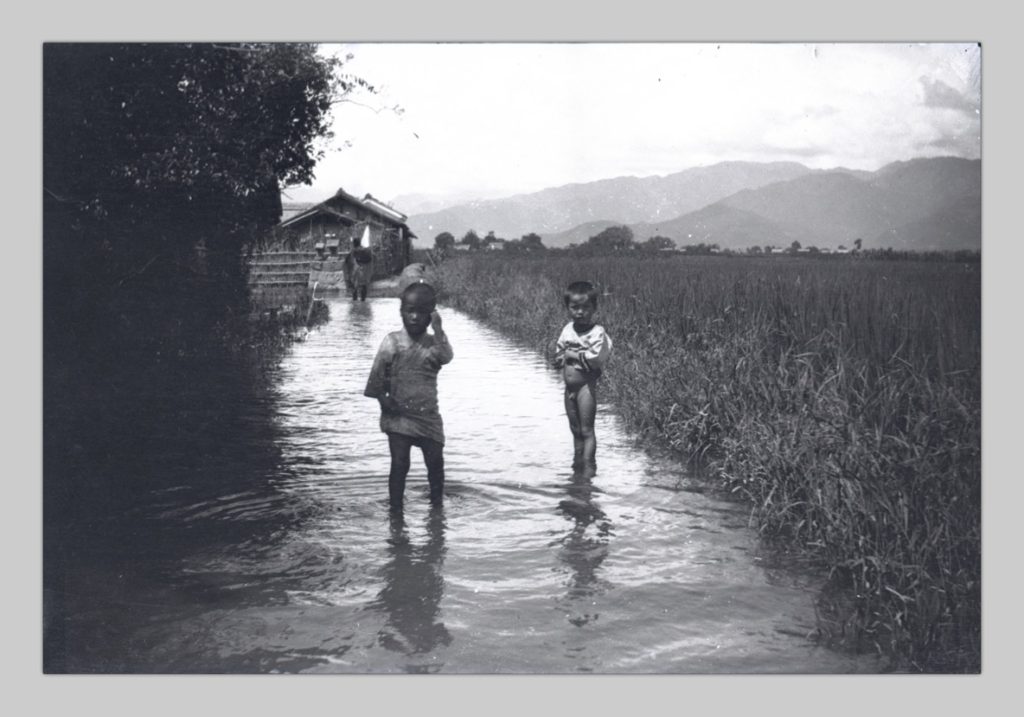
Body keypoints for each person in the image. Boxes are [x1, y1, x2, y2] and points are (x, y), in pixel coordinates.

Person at [365, 282, 453, 511]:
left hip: (428, 417)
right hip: (399, 416)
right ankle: (395, 512)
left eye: (421, 312)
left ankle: (437, 512)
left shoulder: (434, 344)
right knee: (399, 464)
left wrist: (439, 329)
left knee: (435, 464)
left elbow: (447, 357)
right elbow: (375, 380)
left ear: (430, 315)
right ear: (401, 312)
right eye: (409, 311)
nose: (414, 317)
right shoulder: (392, 342)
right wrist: (385, 401)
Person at [553, 281, 612, 477]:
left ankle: (588, 467)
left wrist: (571, 355)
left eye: (585, 307)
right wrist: (560, 358)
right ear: (568, 308)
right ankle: (577, 464)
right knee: (575, 429)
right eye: (575, 308)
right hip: (569, 388)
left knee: (587, 430)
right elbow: (560, 350)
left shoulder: (598, 333)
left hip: (585, 387)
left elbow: (595, 358)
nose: (580, 312)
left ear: (594, 308)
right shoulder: (568, 329)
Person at [349, 235, 374, 301]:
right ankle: (363, 300)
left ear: (354, 243)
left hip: (358, 267)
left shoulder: (354, 250)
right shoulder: (366, 249)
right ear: (360, 243)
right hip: (366, 267)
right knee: (364, 285)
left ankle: (354, 301)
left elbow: (352, 260)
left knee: (355, 285)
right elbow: (371, 257)